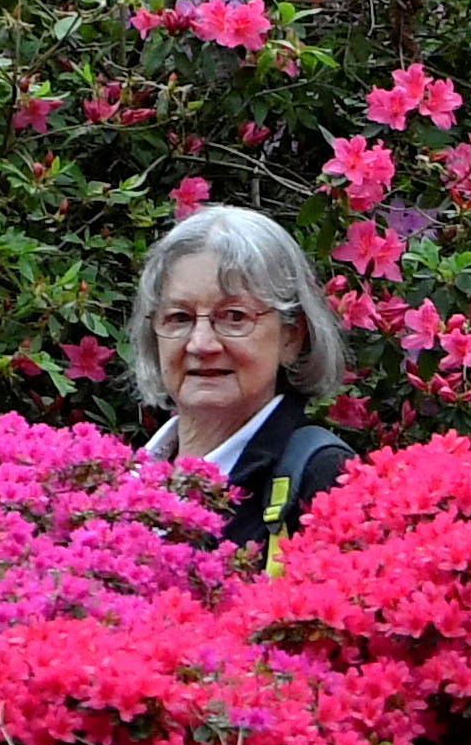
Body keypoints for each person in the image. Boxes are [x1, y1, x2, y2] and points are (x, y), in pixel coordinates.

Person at [129, 205, 353, 568]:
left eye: (234, 317)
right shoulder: (121, 482)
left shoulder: (322, 478)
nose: (201, 344)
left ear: (291, 336)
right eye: (179, 318)